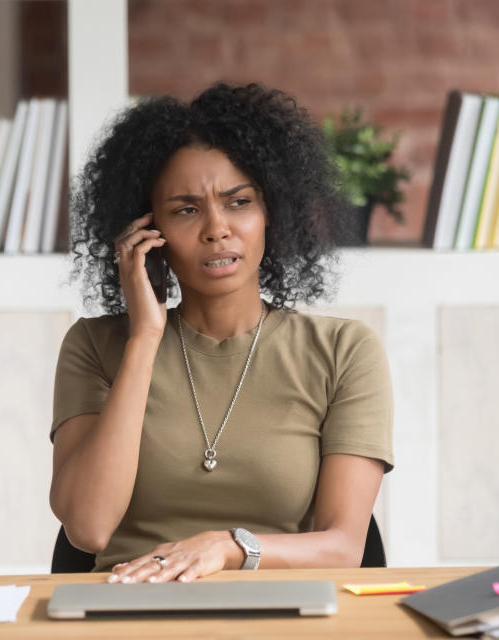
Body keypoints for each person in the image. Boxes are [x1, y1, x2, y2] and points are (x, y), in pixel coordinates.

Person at [49, 82, 393, 584]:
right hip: (129, 609)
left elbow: (343, 548)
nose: (217, 229)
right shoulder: (95, 346)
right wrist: (144, 338)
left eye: (238, 202)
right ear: (147, 230)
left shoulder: (344, 352)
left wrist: (228, 547)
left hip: (283, 615)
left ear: (271, 212)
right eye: (186, 209)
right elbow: (89, 528)